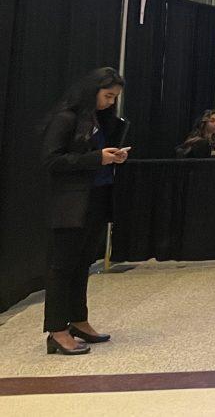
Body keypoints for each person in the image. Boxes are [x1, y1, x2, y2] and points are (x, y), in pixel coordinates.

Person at [42, 67, 129, 355]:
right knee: (62, 267)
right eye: (107, 96)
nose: (110, 102)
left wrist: (113, 155)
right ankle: (56, 330)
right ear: (92, 91)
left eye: (114, 97)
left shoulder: (99, 121)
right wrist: (96, 158)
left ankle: (79, 320)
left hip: (96, 199)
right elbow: (51, 161)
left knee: (82, 266)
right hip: (71, 204)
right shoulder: (66, 119)